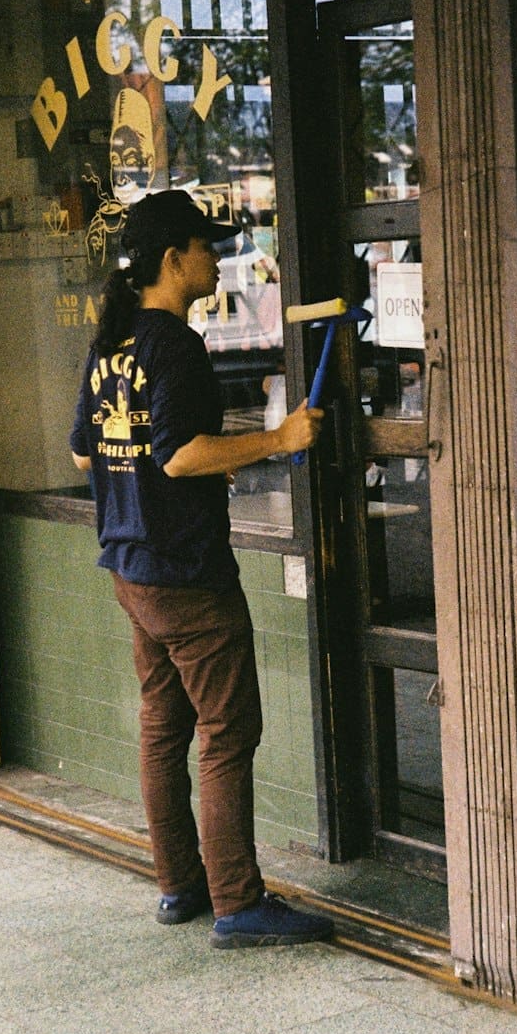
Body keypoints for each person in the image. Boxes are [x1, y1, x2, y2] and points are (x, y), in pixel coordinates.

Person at [70, 187, 333, 949]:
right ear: (171, 259)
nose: (218, 257)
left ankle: (178, 884)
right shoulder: (174, 346)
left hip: (131, 567)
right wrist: (279, 439)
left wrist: (164, 471)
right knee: (225, 731)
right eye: (206, 246)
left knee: (163, 726)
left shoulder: (111, 345)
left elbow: (87, 451)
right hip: (185, 573)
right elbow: (181, 453)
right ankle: (237, 902)